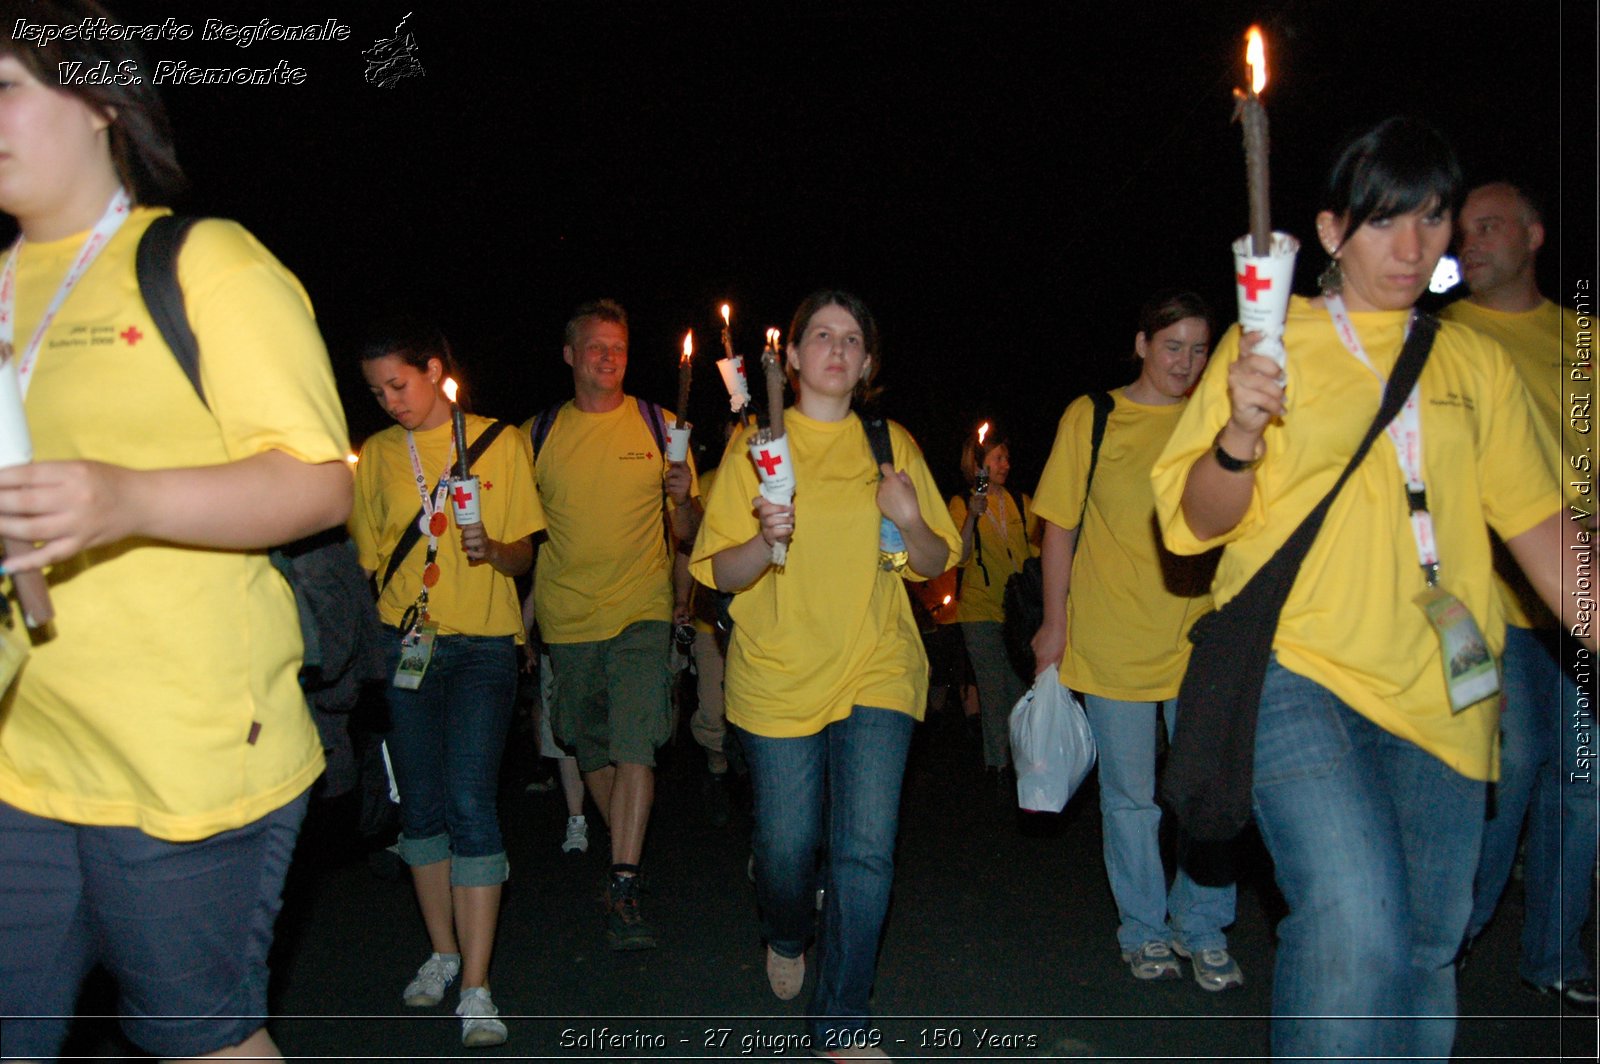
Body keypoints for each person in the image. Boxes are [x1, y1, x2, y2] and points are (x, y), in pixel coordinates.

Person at [1151, 116, 1593, 1061]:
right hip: (1295, 668)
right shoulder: (1268, 343)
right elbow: (1195, 521)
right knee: (1353, 914)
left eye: (1433, 220)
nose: (1413, 245)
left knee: (1427, 949)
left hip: (1443, 686)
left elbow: (1546, 533)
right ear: (1329, 230)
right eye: (1387, 221)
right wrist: (1238, 433)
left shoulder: (1470, 359)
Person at [0, 2, 352, 1058]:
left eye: (5, 88)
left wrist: (125, 500)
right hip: (22, 754)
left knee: (200, 1040)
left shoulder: (200, 262)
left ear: (99, 99)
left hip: (188, 761)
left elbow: (320, 483)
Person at [691, 290, 961, 1059]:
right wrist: (762, 532)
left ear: (868, 363)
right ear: (794, 357)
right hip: (777, 675)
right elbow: (721, 576)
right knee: (786, 847)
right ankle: (785, 927)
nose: (837, 349)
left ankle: (841, 1020)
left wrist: (909, 518)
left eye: (853, 339)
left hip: (877, 665)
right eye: (822, 336)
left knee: (866, 849)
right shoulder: (757, 442)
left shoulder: (891, 442)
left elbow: (936, 563)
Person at [1032, 290, 1241, 990]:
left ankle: (1203, 924)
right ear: (1143, 345)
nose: (1187, 361)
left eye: (1200, 347)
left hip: (1202, 639)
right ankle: (1143, 929)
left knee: (1208, 791)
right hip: (1113, 636)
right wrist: (1054, 623)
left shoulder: (1219, 422)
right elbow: (1058, 525)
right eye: (1173, 345)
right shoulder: (1093, 418)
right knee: (1131, 797)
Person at [351, 321, 543, 1048]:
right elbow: (368, 561)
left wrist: (489, 546)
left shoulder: (502, 442)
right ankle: (442, 952)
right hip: (409, 649)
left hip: (485, 649)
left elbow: (525, 555)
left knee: (470, 798)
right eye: (376, 391)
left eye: (398, 384)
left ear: (434, 370)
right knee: (422, 805)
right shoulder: (375, 456)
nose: (390, 400)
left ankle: (477, 987)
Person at [1443, 181, 1596, 1009]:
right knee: (1509, 765)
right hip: (1485, 603)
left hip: (1574, 598)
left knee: (1585, 777)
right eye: (1461, 230)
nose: (1472, 241)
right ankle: (1452, 936)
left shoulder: (1581, 342)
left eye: (1490, 225)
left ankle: (1554, 952)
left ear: (1535, 235)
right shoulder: (1444, 338)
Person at [527, 299, 699, 950]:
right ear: (570, 355)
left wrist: (685, 499)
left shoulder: (659, 425)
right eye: (594, 346)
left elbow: (687, 532)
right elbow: (521, 531)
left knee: (636, 744)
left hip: (640, 610)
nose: (607, 356)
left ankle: (623, 880)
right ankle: (627, 851)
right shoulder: (536, 435)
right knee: (587, 744)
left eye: (618, 347)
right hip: (568, 618)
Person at [948, 425, 1033, 789]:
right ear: (980, 464)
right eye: (997, 458)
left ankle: (1019, 765)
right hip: (979, 610)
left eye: (1006, 457)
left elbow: (1036, 556)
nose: (1005, 464)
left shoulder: (1021, 501)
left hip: (1017, 612)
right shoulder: (963, 504)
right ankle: (997, 766)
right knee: (992, 688)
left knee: (1018, 687)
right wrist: (973, 515)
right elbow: (961, 555)